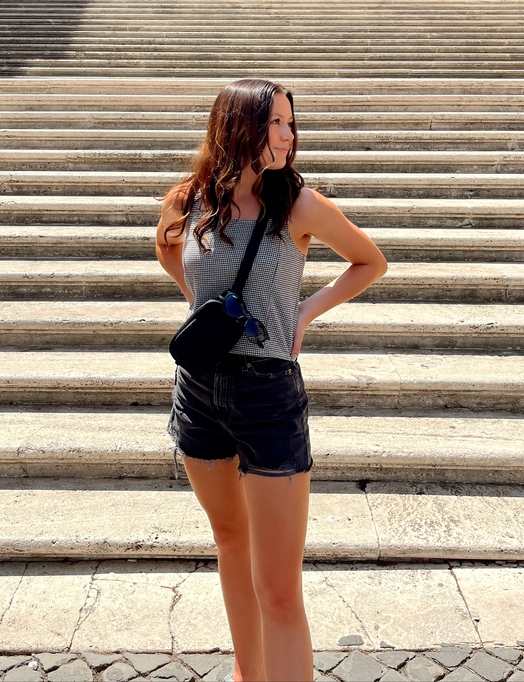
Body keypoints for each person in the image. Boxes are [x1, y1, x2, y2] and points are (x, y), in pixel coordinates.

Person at [156, 78, 387, 682]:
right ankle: (247, 674)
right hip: (200, 391)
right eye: (275, 123)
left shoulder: (299, 205)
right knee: (231, 541)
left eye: (290, 123)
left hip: (269, 394)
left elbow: (371, 261)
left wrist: (304, 311)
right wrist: (200, 307)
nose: (287, 135)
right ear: (237, 126)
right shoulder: (189, 199)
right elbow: (165, 246)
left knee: (280, 591)